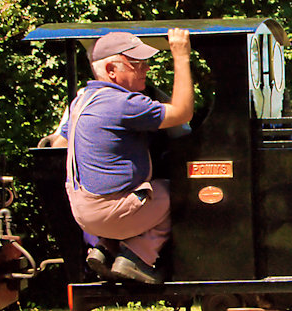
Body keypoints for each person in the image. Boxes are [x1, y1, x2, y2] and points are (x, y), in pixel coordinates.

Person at [52, 29, 194, 283]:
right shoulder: (123, 104)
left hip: (84, 213)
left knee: (144, 191)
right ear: (110, 70)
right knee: (183, 191)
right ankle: (139, 256)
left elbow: (59, 141)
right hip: (112, 213)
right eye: (137, 64)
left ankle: (105, 249)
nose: (146, 70)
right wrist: (181, 56)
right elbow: (182, 113)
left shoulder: (82, 100)